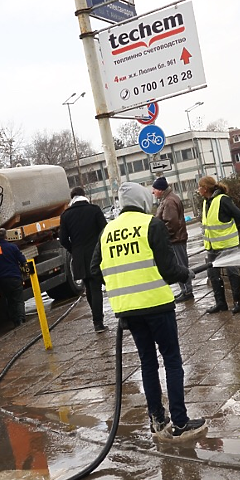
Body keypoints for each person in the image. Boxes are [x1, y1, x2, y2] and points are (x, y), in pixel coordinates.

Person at [91, 182, 206, 441]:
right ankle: (180, 421)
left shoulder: (107, 231)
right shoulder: (150, 224)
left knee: (147, 362)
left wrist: (119, 287)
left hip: (128, 312)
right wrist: (185, 274)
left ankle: (157, 419)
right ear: (143, 201)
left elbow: (94, 270)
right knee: (172, 360)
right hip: (156, 304)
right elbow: (168, 268)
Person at [59, 186, 108, 332]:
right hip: (95, 254)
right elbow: (104, 231)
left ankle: (96, 320)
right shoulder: (94, 210)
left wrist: (73, 249)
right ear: (84, 195)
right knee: (96, 288)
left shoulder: (66, 215)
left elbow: (62, 239)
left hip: (79, 256)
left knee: (88, 289)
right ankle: (98, 322)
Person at [198, 176, 240, 315]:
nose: (198, 190)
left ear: (205, 188)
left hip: (227, 244)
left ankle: (237, 303)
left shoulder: (223, 200)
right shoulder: (206, 202)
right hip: (212, 246)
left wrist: (233, 228)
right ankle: (221, 304)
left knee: (232, 273)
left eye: (199, 187)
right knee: (213, 274)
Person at [151, 176, 193, 302]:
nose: (153, 192)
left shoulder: (169, 201)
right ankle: (185, 290)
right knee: (179, 264)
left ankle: (188, 291)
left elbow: (171, 223)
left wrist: (163, 237)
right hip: (175, 238)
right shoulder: (168, 199)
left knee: (180, 264)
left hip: (175, 239)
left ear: (161, 189)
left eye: (155, 189)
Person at [0, 228, 28, 328]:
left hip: (2, 279)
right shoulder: (12, 247)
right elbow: (22, 259)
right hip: (15, 276)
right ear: (6, 236)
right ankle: (21, 319)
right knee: (18, 299)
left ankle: (14, 320)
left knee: (9, 300)